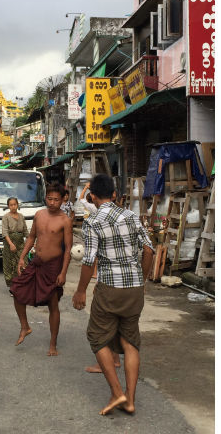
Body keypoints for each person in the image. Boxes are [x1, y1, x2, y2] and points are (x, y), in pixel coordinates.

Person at [71, 174, 154, 416]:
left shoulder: (93, 221)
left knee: (97, 337)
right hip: (134, 287)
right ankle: (130, 400)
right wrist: (144, 279)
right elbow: (148, 250)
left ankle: (117, 392)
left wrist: (80, 291)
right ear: (115, 195)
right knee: (130, 341)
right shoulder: (131, 216)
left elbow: (89, 260)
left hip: (109, 287)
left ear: (92, 197)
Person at [11, 183, 73, 356]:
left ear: (63, 200)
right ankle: (25, 326)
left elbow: (68, 248)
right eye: (50, 199)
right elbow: (31, 237)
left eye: (56, 200)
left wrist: (63, 272)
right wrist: (22, 257)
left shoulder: (65, 220)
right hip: (36, 261)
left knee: (53, 304)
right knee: (17, 291)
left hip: (54, 265)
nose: (52, 203)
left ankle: (53, 344)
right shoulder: (39, 214)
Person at [1, 197, 27, 291]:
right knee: (9, 265)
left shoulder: (21, 216)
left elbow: (25, 231)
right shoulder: (6, 217)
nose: (13, 206)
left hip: (20, 243)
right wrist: (11, 244)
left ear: (17, 205)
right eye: (11, 205)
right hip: (9, 243)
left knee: (22, 263)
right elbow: (5, 232)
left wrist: (30, 242)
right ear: (8, 206)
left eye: (14, 204)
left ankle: (20, 285)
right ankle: (12, 287)